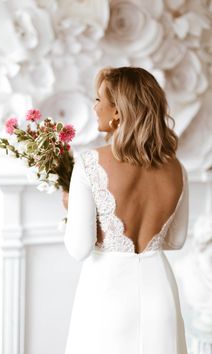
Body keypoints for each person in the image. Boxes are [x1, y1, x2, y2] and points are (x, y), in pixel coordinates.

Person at [62, 67, 189, 354]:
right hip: (159, 295)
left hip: (106, 296)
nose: (94, 107)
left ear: (117, 111)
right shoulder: (177, 169)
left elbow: (79, 248)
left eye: (98, 100)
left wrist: (72, 209)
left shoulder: (90, 162)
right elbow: (176, 240)